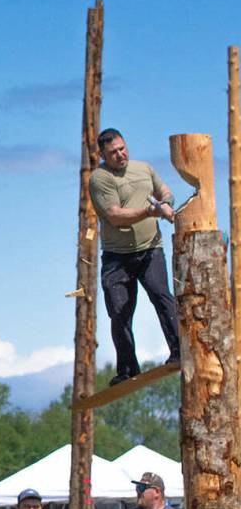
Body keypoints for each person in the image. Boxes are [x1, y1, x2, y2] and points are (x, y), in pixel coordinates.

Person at [88, 128, 180, 385]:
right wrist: (150, 211)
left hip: (151, 249)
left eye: (122, 148)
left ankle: (179, 350)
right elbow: (115, 216)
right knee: (119, 312)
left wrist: (167, 203)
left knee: (162, 297)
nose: (120, 155)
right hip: (117, 257)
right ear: (103, 155)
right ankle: (128, 369)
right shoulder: (100, 178)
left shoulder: (144, 169)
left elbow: (165, 191)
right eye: (113, 152)